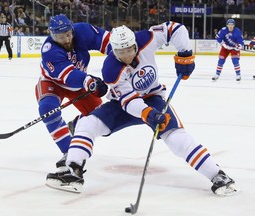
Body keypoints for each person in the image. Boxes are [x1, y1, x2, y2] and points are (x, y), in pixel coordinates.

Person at [46, 22, 239, 196]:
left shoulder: (146, 38)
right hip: (122, 105)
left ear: (134, 44)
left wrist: (185, 55)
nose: (127, 55)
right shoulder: (111, 68)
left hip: (153, 98)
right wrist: (148, 114)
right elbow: (129, 100)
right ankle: (73, 172)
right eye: (121, 52)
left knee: (175, 136)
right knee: (88, 124)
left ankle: (217, 175)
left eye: (130, 49)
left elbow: (175, 29)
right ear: (113, 50)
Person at [35, 14, 111, 186]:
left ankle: (77, 124)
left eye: (68, 34)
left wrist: (121, 60)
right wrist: (89, 81)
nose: (67, 39)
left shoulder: (82, 31)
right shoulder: (50, 50)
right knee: (47, 109)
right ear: (53, 36)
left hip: (79, 85)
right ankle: (69, 153)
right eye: (61, 37)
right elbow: (68, 76)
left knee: (102, 120)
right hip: (53, 82)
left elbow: (108, 41)